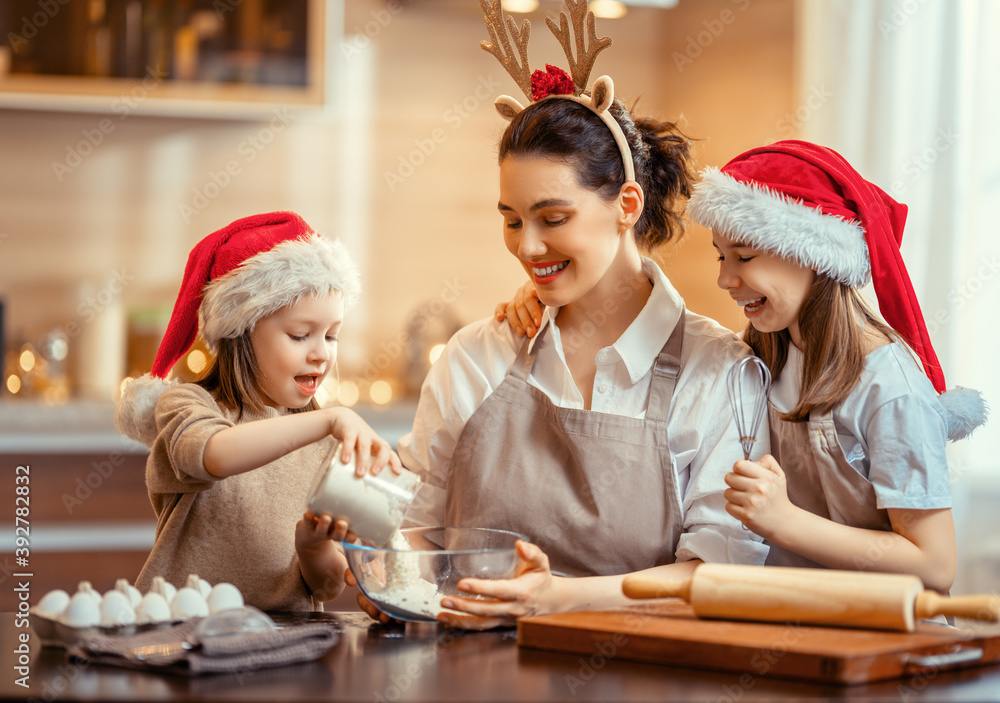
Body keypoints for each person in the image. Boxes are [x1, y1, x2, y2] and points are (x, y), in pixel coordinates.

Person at [360, 1, 770, 631]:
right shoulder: (477, 355)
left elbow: (719, 574)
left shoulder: (718, 371)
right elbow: (417, 536)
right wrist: (374, 574)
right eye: (511, 219)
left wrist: (559, 600)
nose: (526, 247)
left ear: (626, 204)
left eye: (553, 219)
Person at [684, 140, 988, 591]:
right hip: (796, 627)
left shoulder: (889, 388)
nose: (725, 279)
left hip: (883, 641)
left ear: (813, 253)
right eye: (721, 255)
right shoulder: (764, 353)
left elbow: (936, 565)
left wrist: (784, 522)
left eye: (744, 256)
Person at [115, 211, 401, 611]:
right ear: (242, 332)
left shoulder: (321, 442)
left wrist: (313, 546)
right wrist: (329, 419)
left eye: (331, 335)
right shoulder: (187, 406)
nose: (321, 353)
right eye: (300, 335)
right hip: (179, 637)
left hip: (283, 647)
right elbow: (214, 454)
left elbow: (328, 585)